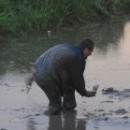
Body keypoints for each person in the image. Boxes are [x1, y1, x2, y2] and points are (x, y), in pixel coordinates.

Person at [27, 39, 97, 115]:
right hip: (47, 77)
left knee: (69, 81)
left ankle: (69, 106)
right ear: (86, 49)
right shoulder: (78, 57)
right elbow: (78, 81)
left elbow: (71, 79)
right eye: (91, 51)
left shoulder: (71, 48)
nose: (91, 54)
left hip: (36, 70)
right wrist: (87, 93)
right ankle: (43, 118)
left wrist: (32, 77)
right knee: (55, 108)